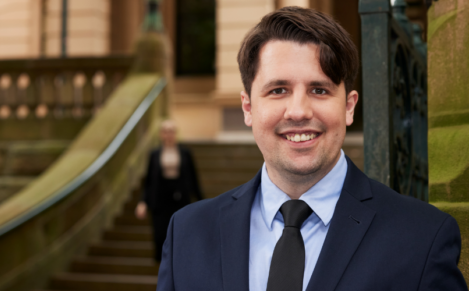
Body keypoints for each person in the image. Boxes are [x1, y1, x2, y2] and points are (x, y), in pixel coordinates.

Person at [157, 7, 467, 291]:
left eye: (319, 90)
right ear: (248, 107)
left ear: (349, 107)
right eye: (279, 90)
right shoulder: (187, 233)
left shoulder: (423, 238)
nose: (299, 111)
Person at [135, 120, 203, 262]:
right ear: (161, 134)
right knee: (160, 234)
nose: (169, 134)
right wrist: (143, 202)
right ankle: (161, 266)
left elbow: (193, 178)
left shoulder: (185, 153)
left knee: (180, 232)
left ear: (176, 134)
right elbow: (148, 181)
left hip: (180, 197)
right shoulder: (154, 154)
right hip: (159, 199)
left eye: (172, 131)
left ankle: (179, 264)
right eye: (166, 131)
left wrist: (202, 202)